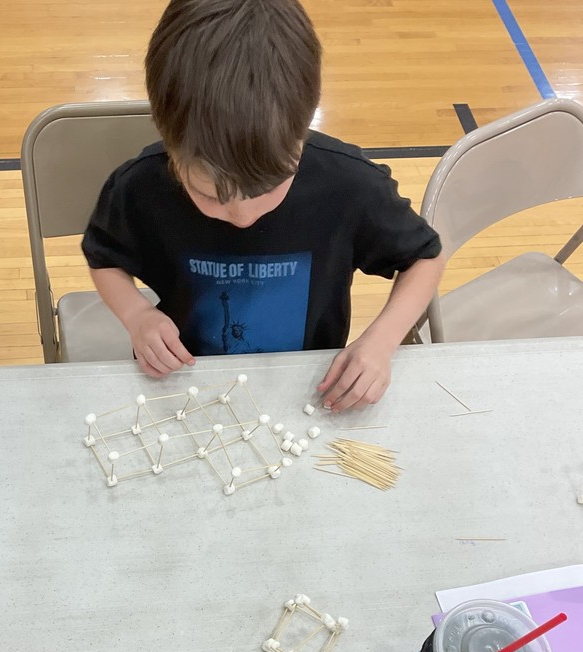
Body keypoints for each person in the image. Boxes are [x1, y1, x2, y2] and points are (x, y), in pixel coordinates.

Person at [82, 0, 445, 412]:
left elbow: (424, 259)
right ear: (171, 148)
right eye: (209, 196)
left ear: (301, 135)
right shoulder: (141, 187)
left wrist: (380, 342)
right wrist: (136, 316)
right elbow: (105, 257)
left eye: (267, 188)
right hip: (181, 385)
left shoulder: (349, 186)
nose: (242, 216)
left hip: (304, 390)